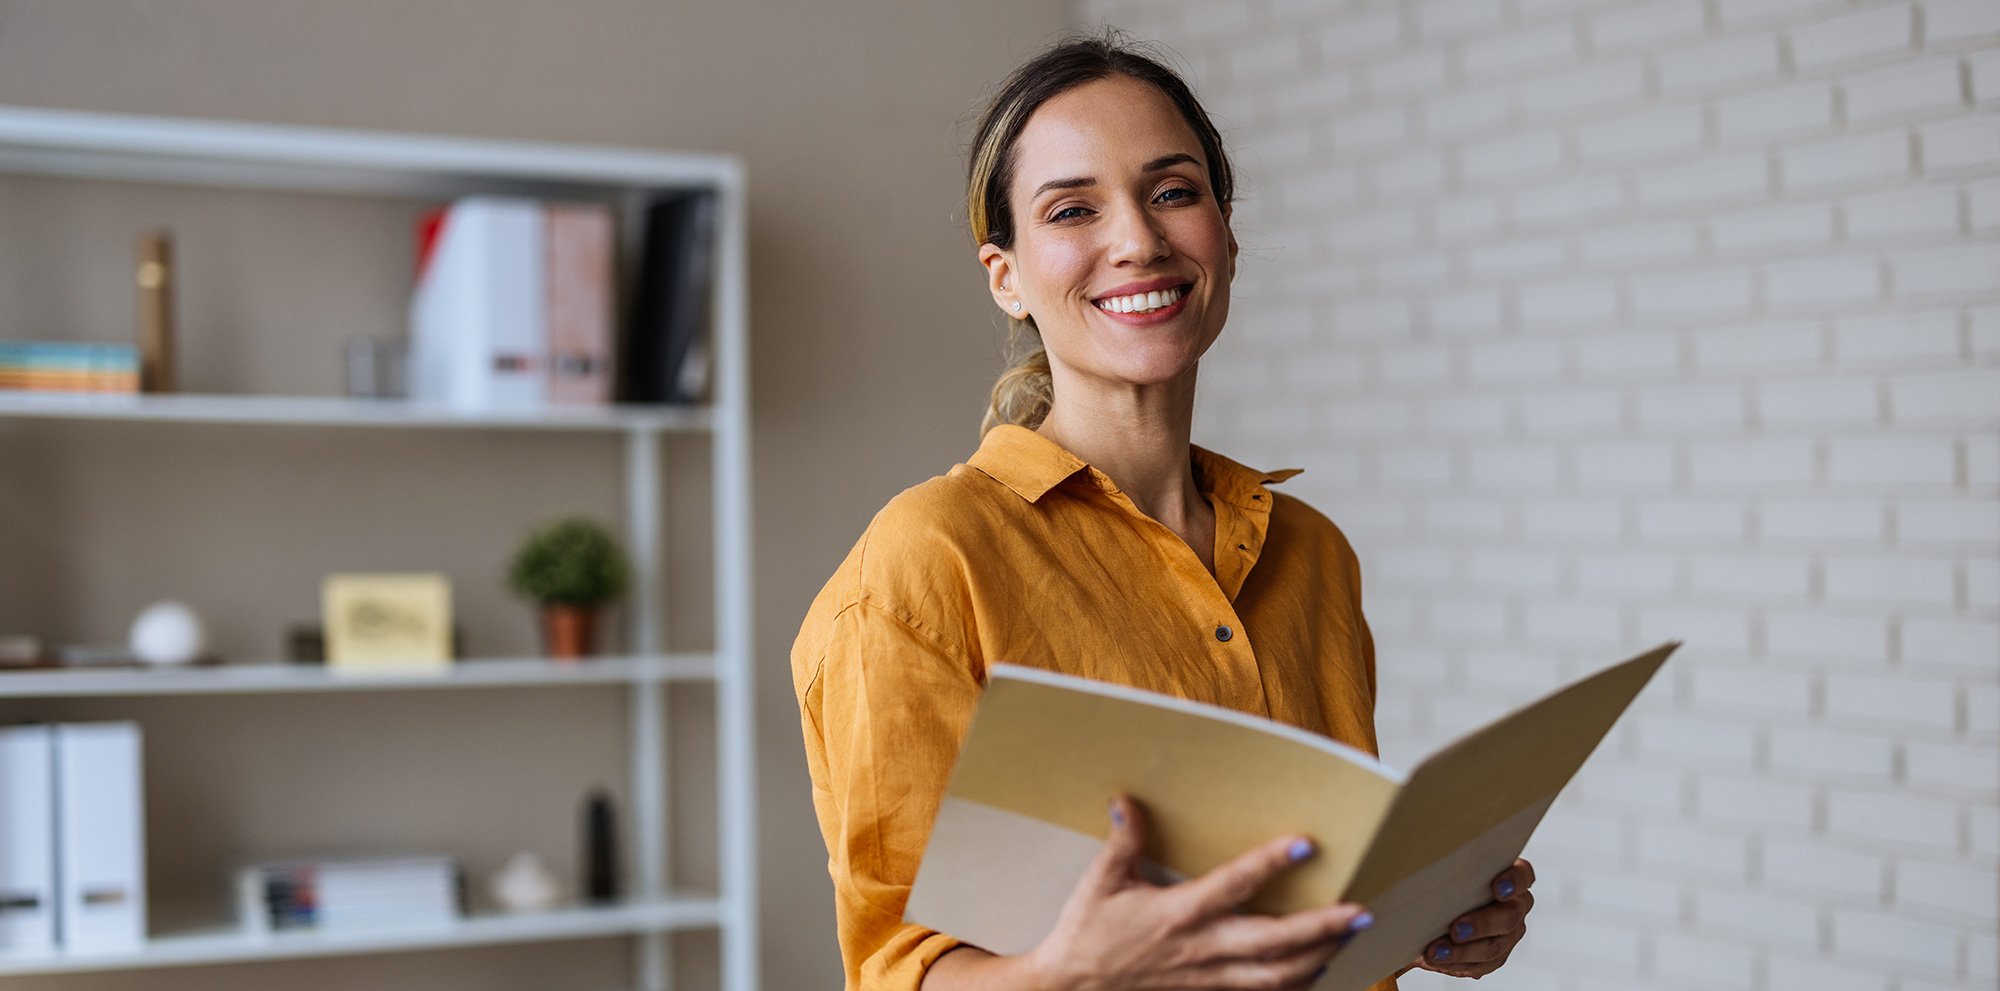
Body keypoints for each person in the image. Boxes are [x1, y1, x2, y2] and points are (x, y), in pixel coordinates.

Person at [793, 35, 1535, 991]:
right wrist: (1073, 971)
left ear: (1224, 233)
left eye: (1174, 191)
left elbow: (1320, 894)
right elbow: (900, 971)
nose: (1138, 239)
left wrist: (1431, 907)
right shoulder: (925, 563)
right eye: (1072, 209)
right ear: (1006, 274)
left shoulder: (1313, 553)